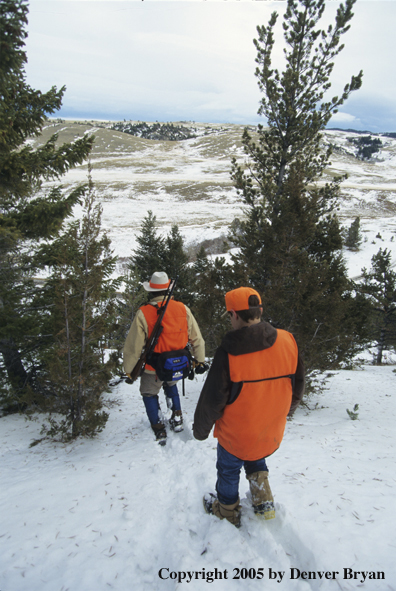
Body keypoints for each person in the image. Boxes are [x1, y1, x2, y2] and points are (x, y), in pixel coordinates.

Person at [193, 286, 305, 527]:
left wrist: (200, 431)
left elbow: (212, 400)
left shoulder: (228, 353)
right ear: (259, 310)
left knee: (228, 470)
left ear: (234, 314)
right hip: (269, 430)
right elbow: (297, 388)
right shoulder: (288, 341)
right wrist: (283, 414)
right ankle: (263, 502)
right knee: (256, 459)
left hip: (235, 435)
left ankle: (226, 510)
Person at [124, 271, 206, 444]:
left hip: (153, 367)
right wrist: (199, 360)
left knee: (148, 392)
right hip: (178, 364)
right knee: (171, 385)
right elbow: (197, 338)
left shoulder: (143, 313)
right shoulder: (183, 309)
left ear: (151, 291)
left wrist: (129, 370)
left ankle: (158, 427)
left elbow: (133, 347)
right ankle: (177, 418)